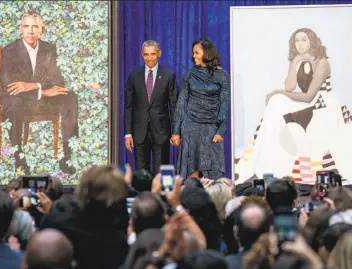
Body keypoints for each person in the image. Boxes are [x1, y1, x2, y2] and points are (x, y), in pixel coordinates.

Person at [235, 28, 352, 184]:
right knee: (277, 102)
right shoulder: (296, 60)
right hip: (308, 103)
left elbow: (309, 96)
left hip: (323, 105)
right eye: (297, 40)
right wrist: (295, 62)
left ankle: (274, 166)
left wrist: (278, 91)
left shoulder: (321, 62)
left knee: (278, 98)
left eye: (304, 39)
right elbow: (290, 87)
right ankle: (270, 165)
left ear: (312, 41)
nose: (300, 44)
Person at [0, 10, 78, 174]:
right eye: (26, 26)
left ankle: (67, 156)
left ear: (42, 30)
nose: (30, 31)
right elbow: (11, 85)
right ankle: (19, 159)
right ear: (20, 28)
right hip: (18, 99)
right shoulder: (9, 50)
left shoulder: (49, 49)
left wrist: (36, 86)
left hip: (40, 98)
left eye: (35, 26)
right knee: (13, 102)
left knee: (70, 97)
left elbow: (57, 80)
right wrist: (43, 91)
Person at [172, 39, 231, 179]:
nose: (194, 56)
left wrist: (221, 129)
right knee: (191, 169)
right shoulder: (189, 75)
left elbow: (225, 104)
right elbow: (181, 103)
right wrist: (175, 131)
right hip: (190, 126)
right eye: (193, 53)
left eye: (197, 52)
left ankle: (211, 198)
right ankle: (191, 196)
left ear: (207, 53)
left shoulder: (222, 75)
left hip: (211, 128)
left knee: (212, 173)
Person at [124, 40, 178, 174]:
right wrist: (128, 133)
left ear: (159, 54)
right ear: (142, 55)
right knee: (141, 174)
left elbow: (174, 106)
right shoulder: (134, 76)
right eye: (146, 54)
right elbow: (128, 106)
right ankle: (144, 196)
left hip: (161, 132)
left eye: (153, 54)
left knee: (163, 172)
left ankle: (164, 196)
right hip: (139, 133)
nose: (149, 58)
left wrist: (176, 132)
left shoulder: (169, 76)